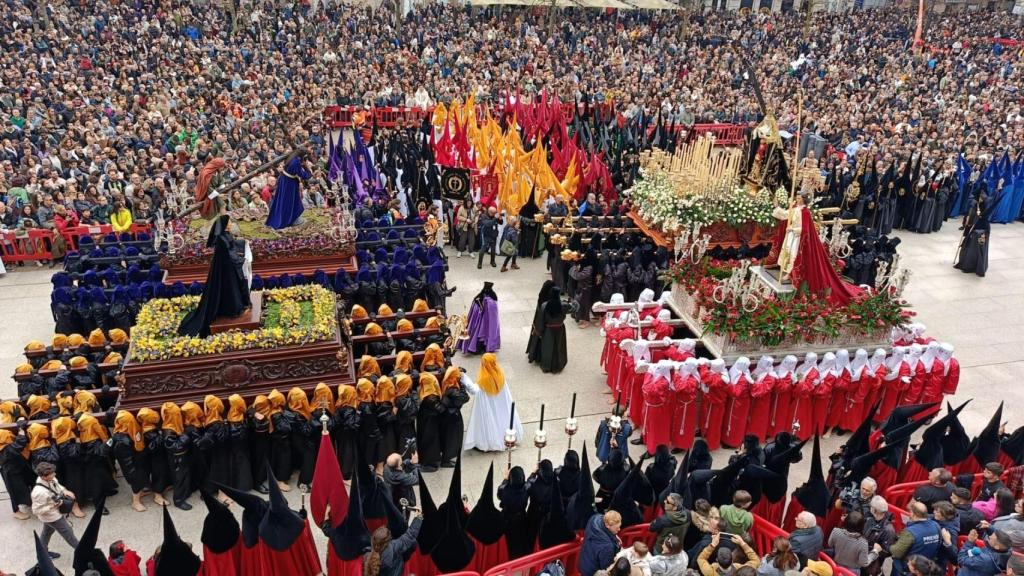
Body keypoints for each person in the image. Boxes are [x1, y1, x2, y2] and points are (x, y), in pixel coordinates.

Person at [177, 213, 252, 338]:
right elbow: (229, 253)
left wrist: (243, 243)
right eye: (229, 222)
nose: (231, 223)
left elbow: (232, 245)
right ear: (225, 225)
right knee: (230, 289)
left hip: (228, 267)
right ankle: (232, 309)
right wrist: (241, 260)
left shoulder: (225, 235)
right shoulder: (221, 239)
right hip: (226, 269)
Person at [463, 353, 524, 452]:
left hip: (488, 408)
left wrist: (463, 377)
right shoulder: (500, 374)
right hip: (501, 407)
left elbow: (473, 389)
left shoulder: (483, 380)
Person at [31, 461, 79, 559]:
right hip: (52, 517)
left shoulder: (51, 479)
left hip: (52, 514)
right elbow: (36, 510)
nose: (55, 474)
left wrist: (65, 491)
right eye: (52, 473)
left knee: (46, 532)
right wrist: (52, 505)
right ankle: (84, 552)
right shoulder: (39, 493)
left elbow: (58, 486)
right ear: (44, 477)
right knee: (68, 533)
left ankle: (42, 554)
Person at [890, 501, 941, 576]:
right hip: (925, 567)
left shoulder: (910, 532)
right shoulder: (936, 526)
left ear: (913, 514)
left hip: (907, 569)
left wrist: (890, 546)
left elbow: (896, 552)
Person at [266, 148, 313, 230]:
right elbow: (303, 175)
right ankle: (288, 220)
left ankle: (290, 218)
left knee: (284, 200)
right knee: (288, 203)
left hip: (285, 180)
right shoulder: (296, 161)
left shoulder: (291, 157)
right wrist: (308, 171)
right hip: (289, 184)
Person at [827, 510, 877, 575]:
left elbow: (830, 544)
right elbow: (864, 563)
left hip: (835, 567)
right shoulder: (863, 543)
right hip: (851, 572)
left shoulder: (836, 531)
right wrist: (875, 552)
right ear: (861, 526)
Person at [537, 286, 572, 373]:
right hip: (560, 328)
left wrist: (539, 332)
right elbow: (575, 308)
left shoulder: (544, 305)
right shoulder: (564, 305)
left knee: (548, 348)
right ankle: (559, 365)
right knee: (559, 347)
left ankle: (546, 366)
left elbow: (541, 320)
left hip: (548, 330)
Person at [458, 282, 500, 355]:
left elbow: (474, 311)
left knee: (477, 332)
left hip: (480, 321)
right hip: (485, 322)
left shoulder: (479, 298)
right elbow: (494, 316)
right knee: (486, 332)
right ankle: (485, 346)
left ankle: (475, 347)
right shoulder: (492, 299)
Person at [581, 511, 623, 576]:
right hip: (592, 572)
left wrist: (614, 536)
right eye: (617, 528)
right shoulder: (607, 546)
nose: (619, 529)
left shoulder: (595, 518)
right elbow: (607, 567)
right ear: (608, 525)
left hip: (584, 562)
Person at [863, 496, 896, 576]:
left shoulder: (889, 530)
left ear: (874, 510)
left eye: (871, 507)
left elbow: (887, 552)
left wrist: (875, 549)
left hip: (871, 565)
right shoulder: (869, 518)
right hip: (862, 555)